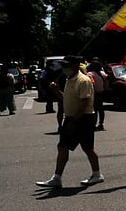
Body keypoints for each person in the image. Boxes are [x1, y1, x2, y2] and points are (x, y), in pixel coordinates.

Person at [35, 55, 104, 188]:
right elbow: (66, 98)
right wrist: (56, 91)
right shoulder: (69, 79)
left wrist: (74, 121)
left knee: (88, 148)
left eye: (67, 65)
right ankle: (57, 178)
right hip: (71, 118)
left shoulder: (83, 80)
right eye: (64, 65)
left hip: (83, 119)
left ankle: (97, 175)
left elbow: (85, 103)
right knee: (63, 147)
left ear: (75, 66)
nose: (64, 68)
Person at [86, 59, 107, 130]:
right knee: (101, 109)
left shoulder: (90, 74)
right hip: (102, 93)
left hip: (95, 93)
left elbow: (92, 83)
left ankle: (93, 124)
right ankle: (101, 124)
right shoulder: (103, 73)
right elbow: (106, 82)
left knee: (94, 110)